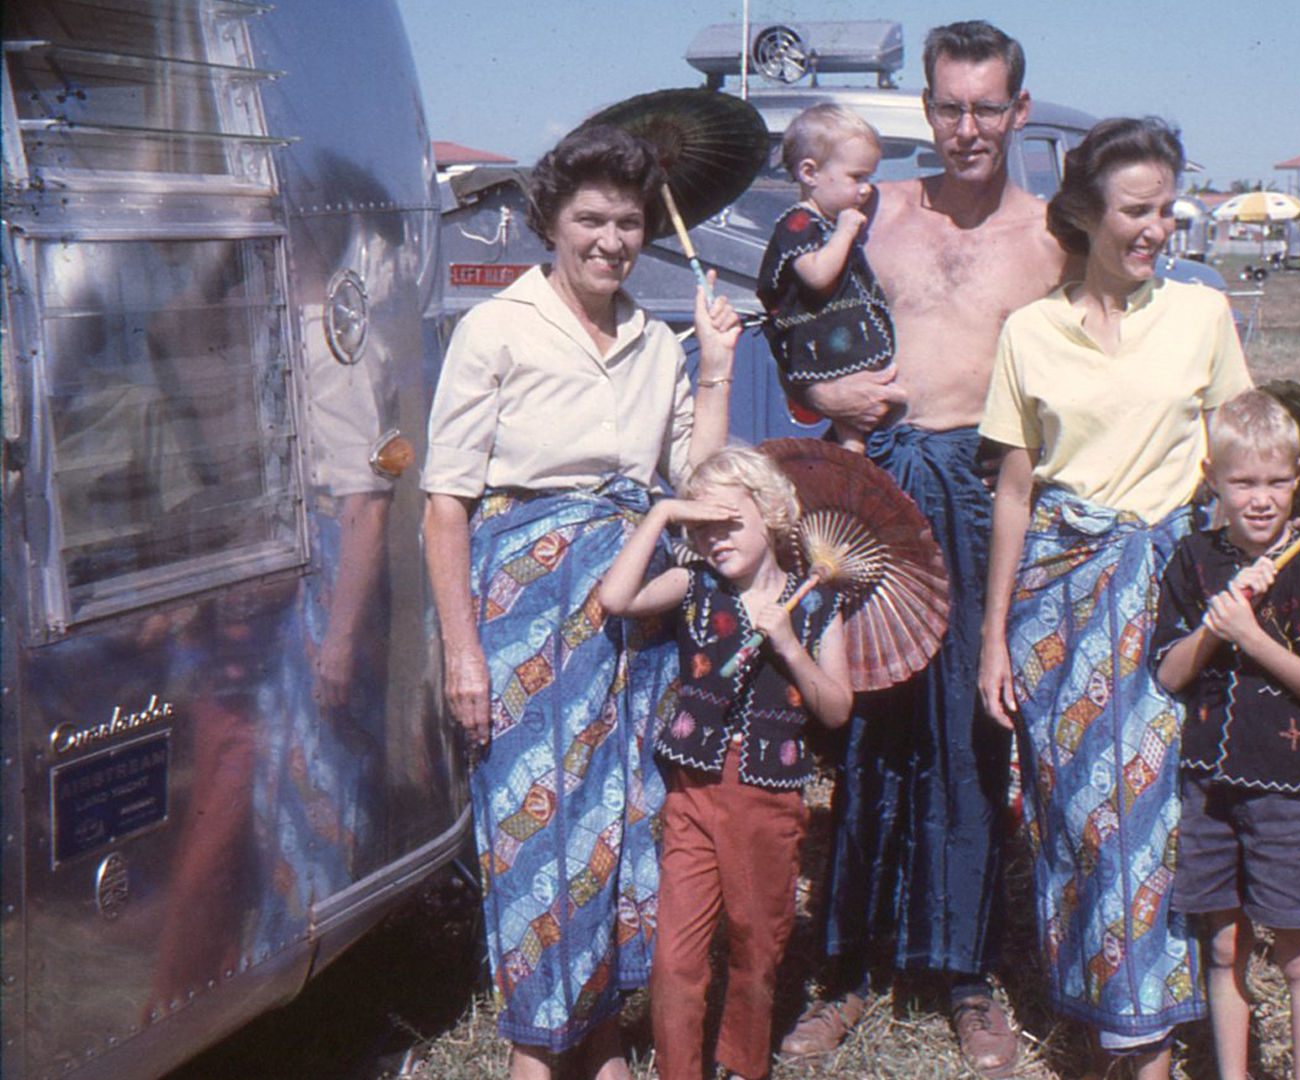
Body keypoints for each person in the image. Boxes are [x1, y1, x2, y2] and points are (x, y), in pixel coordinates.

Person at [778, 22, 1069, 1076]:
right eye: (949, 106)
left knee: (969, 737)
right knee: (863, 729)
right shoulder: (875, 209)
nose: (968, 127)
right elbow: (790, 321)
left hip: (983, 493)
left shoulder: (1051, 237)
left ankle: (965, 974)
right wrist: (820, 394)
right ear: (925, 107)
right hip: (879, 485)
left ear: (1019, 112)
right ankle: (846, 969)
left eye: (988, 106)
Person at [421, 125, 741, 1080]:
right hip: (522, 619)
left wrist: (716, 365)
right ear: (548, 224)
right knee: (535, 835)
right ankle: (536, 1051)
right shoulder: (498, 329)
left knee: (619, 827)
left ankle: (597, 1046)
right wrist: (462, 654)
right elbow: (446, 508)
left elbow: (704, 477)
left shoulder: (655, 341)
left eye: (629, 222)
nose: (611, 239)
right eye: (591, 219)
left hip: (632, 613)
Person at [977, 116, 1251, 1080]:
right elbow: (1014, 493)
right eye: (1137, 210)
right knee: (1078, 816)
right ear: (1086, 215)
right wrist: (994, 639)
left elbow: (1238, 463)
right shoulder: (1028, 332)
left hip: (1166, 600)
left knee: (1153, 818)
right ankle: (1100, 1005)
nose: (1157, 229)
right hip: (1056, 602)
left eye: (1168, 210)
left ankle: (1147, 1041)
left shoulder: (1203, 318)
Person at [596, 447, 852, 1080]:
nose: (714, 540)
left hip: (766, 800)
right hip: (692, 791)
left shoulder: (816, 606)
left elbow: (838, 708)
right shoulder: (694, 586)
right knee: (675, 960)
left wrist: (789, 645)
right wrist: (662, 516)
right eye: (701, 527)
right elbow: (617, 596)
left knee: (756, 946)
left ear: (770, 514)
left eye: (728, 522)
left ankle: (741, 1064)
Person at [1152, 391, 1300, 1080]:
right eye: (1243, 482)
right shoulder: (1193, 560)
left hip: (1290, 788)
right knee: (1223, 951)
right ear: (1212, 479)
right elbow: (1169, 675)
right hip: (1210, 790)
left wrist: (1251, 638)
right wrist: (1213, 629)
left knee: (1296, 953)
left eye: (1278, 482)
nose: (1260, 500)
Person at [756, 104, 895, 451]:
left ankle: (852, 453)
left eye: (870, 178)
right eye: (857, 177)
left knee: (856, 426)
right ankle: (852, 455)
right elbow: (817, 276)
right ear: (810, 173)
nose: (866, 190)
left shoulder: (827, 222)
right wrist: (846, 232)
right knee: (855, 403)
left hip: (838, 333)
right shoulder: (797, 223)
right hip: (820, 334)